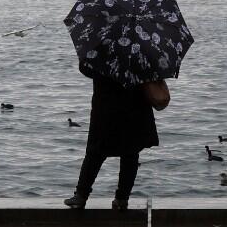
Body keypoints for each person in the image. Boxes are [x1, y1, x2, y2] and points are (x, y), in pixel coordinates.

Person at [65, 60, 158, 210]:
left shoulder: (103, 47)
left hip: (106, 107)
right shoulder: (142, 51)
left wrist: (85, 58)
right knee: (130, 154)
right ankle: (122, 199)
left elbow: (86, 69)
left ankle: (81, 196)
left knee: (95, 153)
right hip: (135, 108)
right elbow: (154, 74)